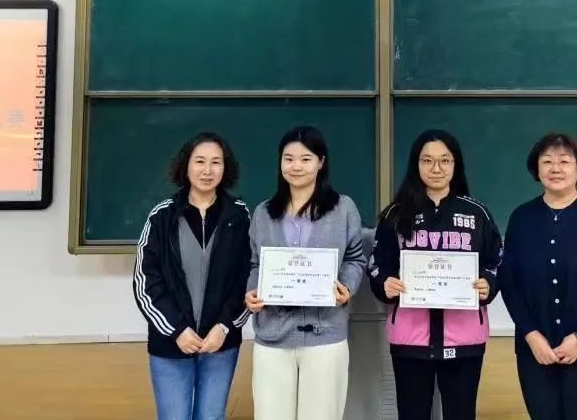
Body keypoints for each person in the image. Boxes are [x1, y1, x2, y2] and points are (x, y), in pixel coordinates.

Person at [368, 128, 503, 420]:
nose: (436, 168)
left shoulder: (477, 214)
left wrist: (489, 282)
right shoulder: (395, 214)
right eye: (427, 160)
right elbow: (377, 264)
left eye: (445, 160)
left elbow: (497, 260)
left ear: (456, 165)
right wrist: (384, 283)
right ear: (416, 165)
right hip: (410, 338)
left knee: (461, 414)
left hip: (464, 337)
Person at [244, 125, 366, 420]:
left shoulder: (343, 208)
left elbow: (355, 257)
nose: (296, 166)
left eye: (305, 158)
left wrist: (347, 287)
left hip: (325, 334)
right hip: (273, 334)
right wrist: (252, 291)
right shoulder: (263, 213)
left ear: (321, 162)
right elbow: (255, 263)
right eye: (288, 159)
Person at [498, 132, 577, 420]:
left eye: (564, 161)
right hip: (536, 349)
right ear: (537, 169)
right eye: (547, 162)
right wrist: (531, 336)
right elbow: (510, 283)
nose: (555, 168)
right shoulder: (521, 218)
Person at [132, 132, 252, 420]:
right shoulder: (162, 216)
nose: (207, 170)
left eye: (216, 162)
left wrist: (224, 326)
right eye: (199, 161)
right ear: (186, 166)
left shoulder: (239, 216)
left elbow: (248, 277)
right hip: (171, 343)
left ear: (226, 168)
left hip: (220, 343)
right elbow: (145, 281)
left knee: (211, 416)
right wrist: (177, 330)